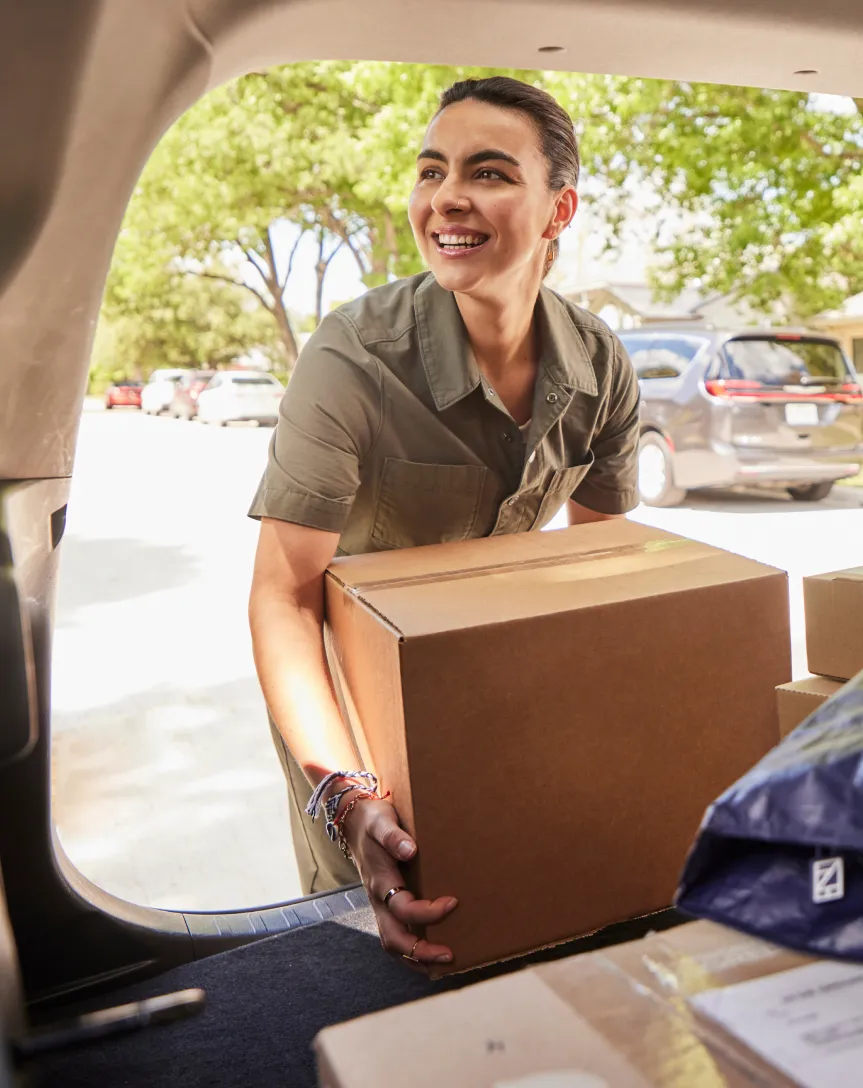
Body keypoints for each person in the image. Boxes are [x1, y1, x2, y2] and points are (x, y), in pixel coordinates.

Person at [248, 76, 641, 966]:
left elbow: (610, 574)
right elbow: (281, 601)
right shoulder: (351, 356)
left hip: (498, 690)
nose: (446, 196)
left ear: (557, 210)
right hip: (349, 715)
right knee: (373, 942)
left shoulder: (603, 365)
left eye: (489, 172)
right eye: (431, 171)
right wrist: (349, 798)